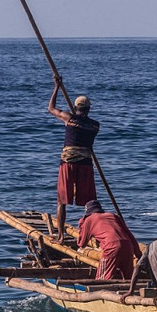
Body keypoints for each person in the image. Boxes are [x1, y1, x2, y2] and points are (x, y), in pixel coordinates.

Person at [48, 78, 100, 244]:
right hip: (85, 164)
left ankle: (61, 236)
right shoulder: (95, 126)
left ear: (76, 108)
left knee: (62, 200)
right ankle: (90, 236)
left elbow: (51, 108)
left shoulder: (69, 119)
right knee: (89, 201)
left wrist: (56, 88)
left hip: (68, 164)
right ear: (89, 109)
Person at [76, 200, 142, 280]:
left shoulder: (89, 220)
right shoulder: (113, 216)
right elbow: (130, 236)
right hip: (128, 246)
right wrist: (138, 254)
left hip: (111, 247)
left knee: (102, 279)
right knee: (129, 279)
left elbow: (81, 243)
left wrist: (81, 225)